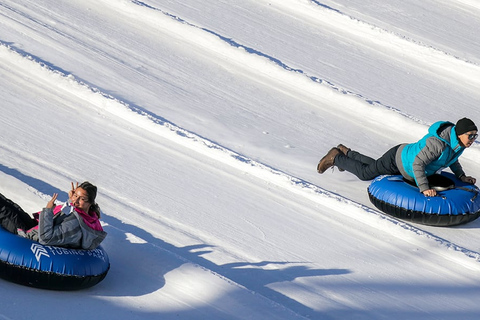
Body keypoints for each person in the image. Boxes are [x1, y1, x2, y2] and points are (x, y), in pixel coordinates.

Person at [317, 118, 478, 197]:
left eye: (475, 136)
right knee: (366, 174)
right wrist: (424, 188)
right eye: (470, 136)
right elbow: (417, 164)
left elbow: (452, 160)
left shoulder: (457, 145)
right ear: (459, 134)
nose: (473, 140)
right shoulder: (438, 144)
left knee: (374, 166)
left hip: (403, 159)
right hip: (398, 160)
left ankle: (346, 153)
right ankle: (335, 157)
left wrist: (462, 176)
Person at [0, 181, 107, 250]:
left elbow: (46, 238)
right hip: (35, 227)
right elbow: (67, 214)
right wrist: (71, 198)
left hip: (29, 236)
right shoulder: (85, 214)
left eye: (82, 199)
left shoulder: (76, 225)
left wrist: (48, 210)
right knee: (9, 204)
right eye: (75, 195)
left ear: (90, 203)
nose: (76, 201)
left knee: (3, 210)